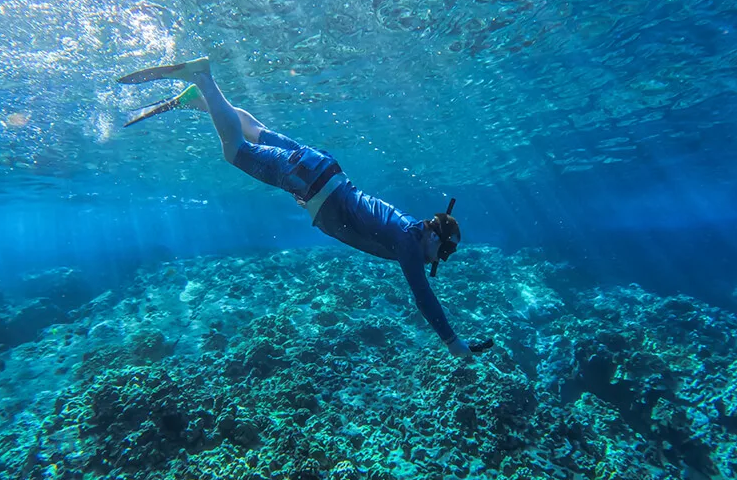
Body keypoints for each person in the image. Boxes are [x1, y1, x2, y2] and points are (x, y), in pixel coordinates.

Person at [118, 57, 492, 357]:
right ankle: (203, 79)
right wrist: (452, 342)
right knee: (236, 152)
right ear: (431, 232)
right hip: (310, 183)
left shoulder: (411, 227)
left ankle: (198, 100)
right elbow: (423, 296)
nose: (437, 260)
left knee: (257, 130)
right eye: (442, 251)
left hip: (323, 169)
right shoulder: (410, 244)